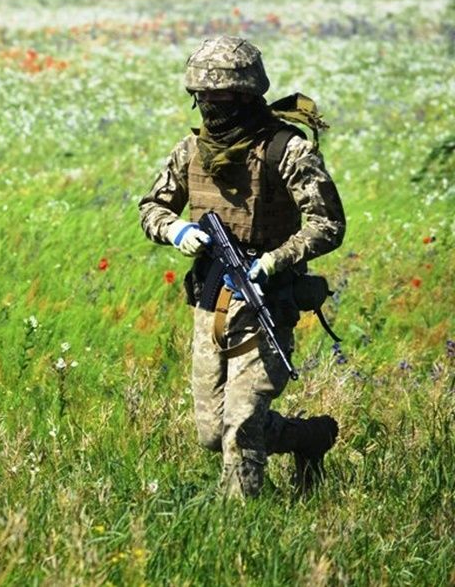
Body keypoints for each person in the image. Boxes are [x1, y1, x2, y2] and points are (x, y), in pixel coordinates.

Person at [138, 36, 345, 498]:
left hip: (267, 299)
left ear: (248, 95)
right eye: (203, 98)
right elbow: (151, 207)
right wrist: (174, 231)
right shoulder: (190, 153)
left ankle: (241, 528)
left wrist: (275, 260)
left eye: (223, 98)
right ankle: (308, 438)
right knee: (212, 431)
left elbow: (328, 224)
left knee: (242, 422)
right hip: (211, 299)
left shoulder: (287, 151)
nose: (212, 106)